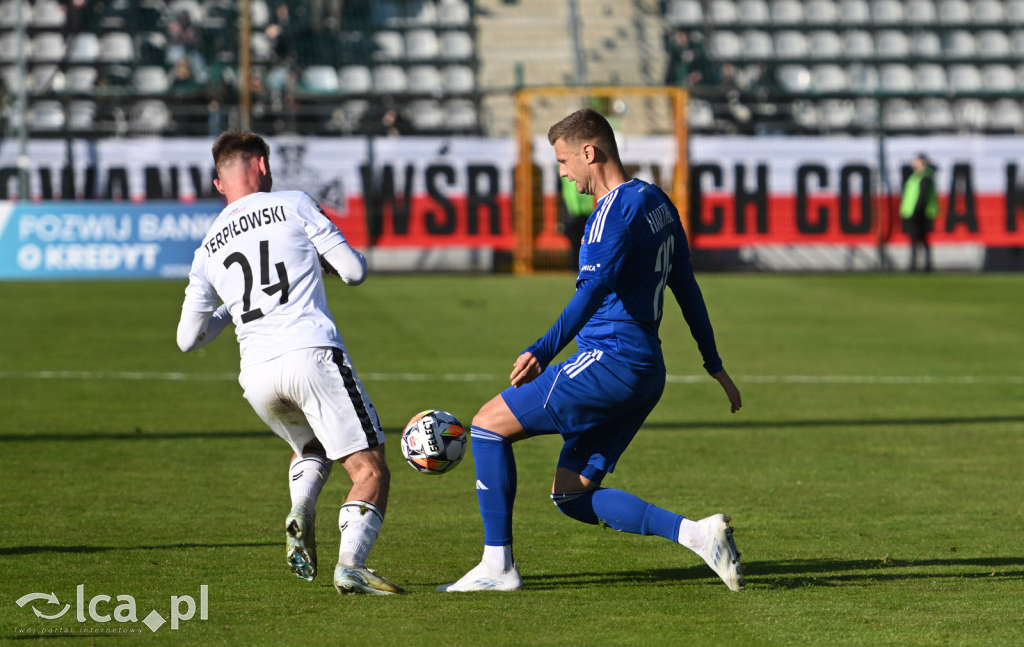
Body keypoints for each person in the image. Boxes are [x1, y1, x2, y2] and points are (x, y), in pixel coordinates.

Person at [438, 109, 745, 593]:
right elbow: (687, 287)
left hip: (611, 358)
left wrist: (543, 348)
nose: (561, 173)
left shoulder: (611, 212)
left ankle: (497, 566)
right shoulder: (657, 201)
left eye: (563, 161)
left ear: (589, 152)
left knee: (487, 426)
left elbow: (594, 288)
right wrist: (713, 363)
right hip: (646, 371)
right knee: (571, 494)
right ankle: (699, 535)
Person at [176, 131, 404, 595]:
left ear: (220, 184)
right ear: (261, 164)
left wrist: (232, 306)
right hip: (310, 354)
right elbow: (355, 271)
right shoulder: (293, 203)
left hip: (256, 375)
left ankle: (302, 508)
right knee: (369, 469)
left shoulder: (208, 247)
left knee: (310, 449)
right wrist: (328, 260)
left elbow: (187, 339)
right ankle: (351, 565)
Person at [900, 153, 938, 272]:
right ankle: (919, 264)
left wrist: (917, 210)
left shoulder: (925, 177)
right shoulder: (915, 177)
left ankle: (920, 264)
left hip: (920, 213)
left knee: (919, 238)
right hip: (911, 212)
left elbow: (922, 197)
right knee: (917, 238)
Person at [559, 177, 593, 269]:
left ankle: (577, 266)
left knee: (578, 243)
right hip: (578, 212)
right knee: (578, 242)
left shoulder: (564, 172)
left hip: (576, 212)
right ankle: (577, 266)